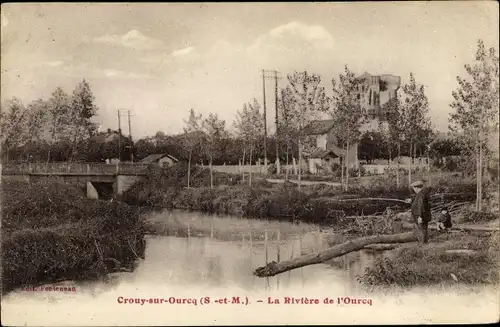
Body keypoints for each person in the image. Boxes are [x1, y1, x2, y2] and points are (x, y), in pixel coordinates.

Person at [406, 180, 431, 245]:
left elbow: (421, 206)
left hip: (421, 216)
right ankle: (424, 244)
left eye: (414, 188)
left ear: (416, 188)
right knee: (422, 230)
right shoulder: (421, 194)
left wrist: (420, 216)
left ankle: (422, 245)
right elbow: (418, 201)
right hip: (422, 216)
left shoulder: (421, 195)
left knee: (421, 230)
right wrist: (411, 200)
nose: (414, 190)